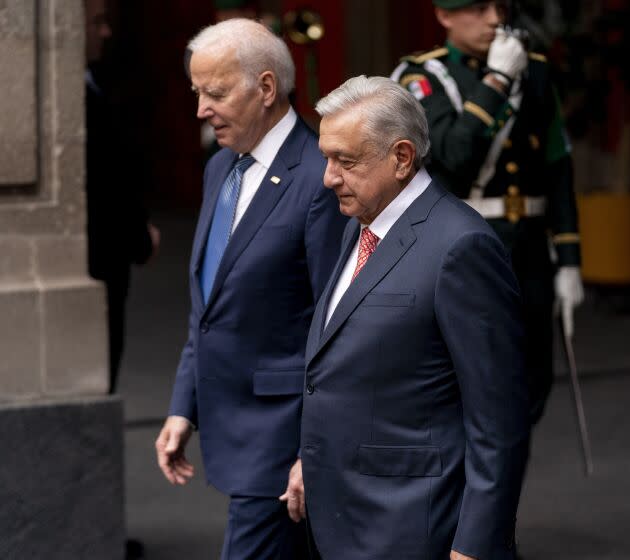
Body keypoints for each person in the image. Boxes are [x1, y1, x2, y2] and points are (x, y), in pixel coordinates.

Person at [288, 76, 530, 560]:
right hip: (341, 513)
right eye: (326, 157)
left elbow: (498, 420)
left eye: (346, 161)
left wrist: (476, 545)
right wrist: (311, 460)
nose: (328, 177)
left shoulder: (461, 246)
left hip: (413, 528)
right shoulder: (358, 225)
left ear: (401, 157)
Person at [154, 18, 346, 560]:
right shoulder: (221, 167)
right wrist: (181, 408)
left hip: (283, 444)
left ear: (266, 88)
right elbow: (212, 304)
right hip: (233, 429)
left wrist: (315, 450)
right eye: (197, 93)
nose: (200, 110)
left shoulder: (319, 177)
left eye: (215, 93)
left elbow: (337, 327)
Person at [391, 0, 584, 425]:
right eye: (478, 9)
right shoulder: (421, 77)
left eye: (500, 7)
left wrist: (569, 260)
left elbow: (557, 167)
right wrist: (497, 79)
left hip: (529, 251)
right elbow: (455, 156)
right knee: (467, 383)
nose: (495, 20)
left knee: (531, 383)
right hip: (461, 250)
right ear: (444, 15)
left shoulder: (533, 69)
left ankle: (501, 485)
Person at [84, 0, 160, 395]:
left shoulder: (95, 83)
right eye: (96, 22)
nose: (105, 32)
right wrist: (138, 236)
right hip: (97, 261)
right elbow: (104, 184)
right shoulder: (78, 98)